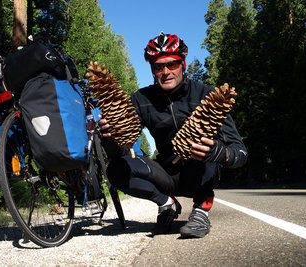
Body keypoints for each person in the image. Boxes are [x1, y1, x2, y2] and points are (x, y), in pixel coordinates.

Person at [99, 32, 248, 238]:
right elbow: (122, 150)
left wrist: (221, 153)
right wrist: (110, 139)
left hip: (200, 171)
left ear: (183, 64)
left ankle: (201, 210)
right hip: (166, 174)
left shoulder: (208, 95)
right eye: (158, 66)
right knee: (116, 169)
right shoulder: (141, 99)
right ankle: (166, 204)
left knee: (207, 147)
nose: (166, 72)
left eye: (173, 64)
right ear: (152, 69)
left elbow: (240, 151)